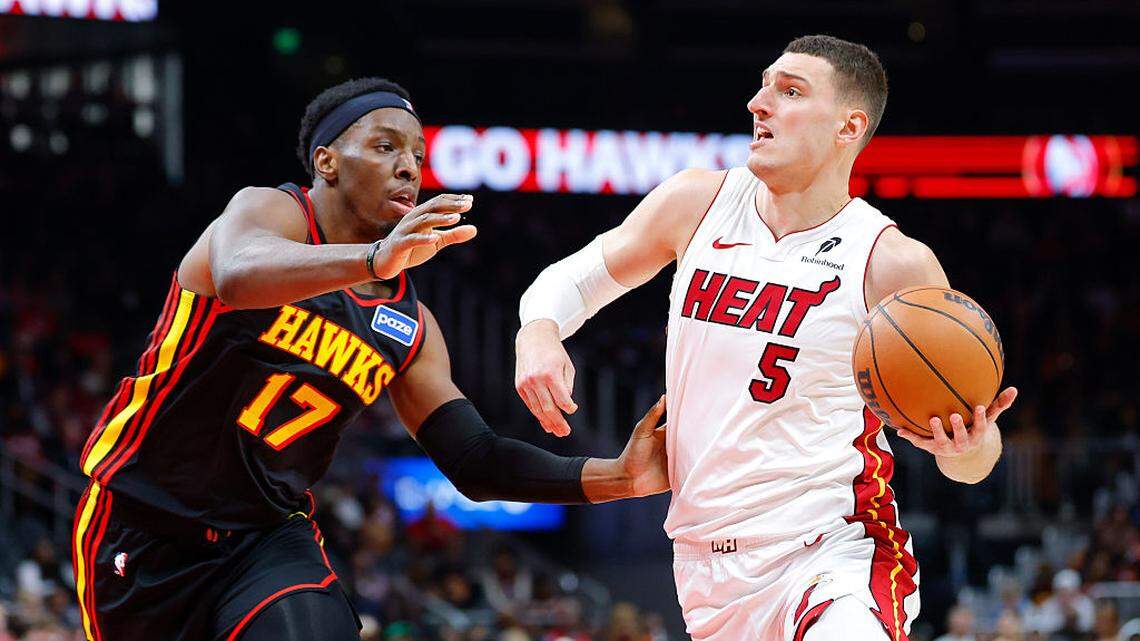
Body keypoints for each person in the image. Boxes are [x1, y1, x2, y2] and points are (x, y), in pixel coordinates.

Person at [72, 77, 670, 641]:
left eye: (416, 153)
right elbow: (235, 274)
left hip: (266, 536)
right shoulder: (270, 214)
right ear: (326, 161)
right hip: (143, 522)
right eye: (384, 147)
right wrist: (372, 258)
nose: (408, 166)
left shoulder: (410, 326)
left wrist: (617, 475)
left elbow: (475, 461)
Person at [515, 34, 1018, 641]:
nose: (758, 103)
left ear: (848, 126)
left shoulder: (891, 262)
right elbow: (573, 278)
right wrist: (539, 333)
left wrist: (964, 446)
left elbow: (976, 463)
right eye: (763, 85)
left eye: (790, 91)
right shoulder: (697, 202)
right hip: (704, 562)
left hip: (833, 552)